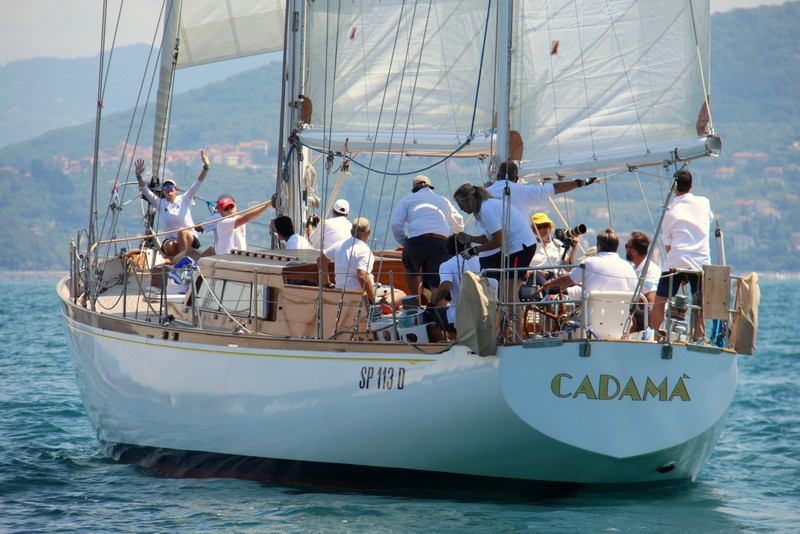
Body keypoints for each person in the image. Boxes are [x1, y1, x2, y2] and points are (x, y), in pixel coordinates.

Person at [649, 169, 714, 333]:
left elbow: (668, 244)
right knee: (699, 303)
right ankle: (699, 336)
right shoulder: (704, 202)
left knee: (660, 300)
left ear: (673, 188)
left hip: (676, 260)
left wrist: (680, 269)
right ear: (691, 185)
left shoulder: (669, 211)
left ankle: (654, 335)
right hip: (700, 262)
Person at [390, 175, 464, 299]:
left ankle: (415, 301)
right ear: (430, 187)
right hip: (440, 241)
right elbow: (459, 221)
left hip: (416, 241)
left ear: (414, 189)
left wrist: (405, 242)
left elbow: (395, 224)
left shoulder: (408, 199)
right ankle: (438, 310)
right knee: (437, 278)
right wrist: (454, 236)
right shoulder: (443, 200)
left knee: (410, 269)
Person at [452, 183, 535, 280]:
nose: (461, 209)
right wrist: (471, 238)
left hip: (520, 247)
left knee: (510, 292)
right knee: (508, 290)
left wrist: (473, 250)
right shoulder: (486, 206)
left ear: (470, 199)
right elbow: (491, 238)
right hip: (522, 246)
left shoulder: (486, 210)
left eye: (461, 205)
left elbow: (499, 241)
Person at [135, 150, 210, 257]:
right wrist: (138, 176)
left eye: (171, 187)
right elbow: (146, 191)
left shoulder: (185, 198)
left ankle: (182, 260)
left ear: (176, 190)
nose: (168, 189)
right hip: (172, 239)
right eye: (165, 187)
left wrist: (206, 167)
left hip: (188, 237)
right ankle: (175, 260)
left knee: (182, 232)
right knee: (168, 246)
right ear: (163, 191)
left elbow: (197, 183)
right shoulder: (161, 203)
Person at [486, 161, 598, 218]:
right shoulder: (524, 191)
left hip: (491, 247)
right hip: (519, 245)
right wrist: (580, 183)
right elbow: (555, 188)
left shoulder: (485, 193)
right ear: (517, 179)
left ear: (497, 176)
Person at [541, 228, 637, 294]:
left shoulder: (589, 263)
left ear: (599, 247)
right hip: (622, 320)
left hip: (591, 319)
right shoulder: (628, 268)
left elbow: (568, 280)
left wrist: (551, 283)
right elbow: (635, 294)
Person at [425, 234, 480, 332]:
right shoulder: (480, 261)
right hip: (482, 314)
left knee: (429, 316)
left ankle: (439, 343)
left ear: (449, 250)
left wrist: (432, 304)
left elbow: (446, 287)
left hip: (459, 316)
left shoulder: (447, 265)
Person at [324, 217, 376, 303]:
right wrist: (373, 301)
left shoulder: (339, 245)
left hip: (340, 293)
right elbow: (362, 276)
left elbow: (321, 260)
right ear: (369, 232)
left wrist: (327, 283)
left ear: (351, 232)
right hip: (358, 296)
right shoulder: (364, 250)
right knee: (399, 293)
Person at [198, 196, 272, 254]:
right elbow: (246, 218)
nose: (230, 210)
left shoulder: (238, 218)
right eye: (226, 208)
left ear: (236, 207)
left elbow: (245, 218)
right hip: (227, 259)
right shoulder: (223, 223)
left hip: (239, 257)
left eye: (231, 206)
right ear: (221, 212)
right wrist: (267, 205)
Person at [529, 212, 578, 284]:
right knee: (537, 275)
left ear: (549, 228)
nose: (543, 229)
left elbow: (568, 268)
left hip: (557, 276)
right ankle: (551, 293)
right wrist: (532, 271)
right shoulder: (530, 246)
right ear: (533, 229)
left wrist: (574, 247)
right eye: (539, 227)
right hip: (537, 278)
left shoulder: (557, 244)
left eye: (545, 226)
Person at [625, 231, 661, 303]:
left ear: (633, 252)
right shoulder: (632, 268)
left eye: (626, 246)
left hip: (644, 312)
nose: (625, 250)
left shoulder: (651, 271)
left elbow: (650, 300)